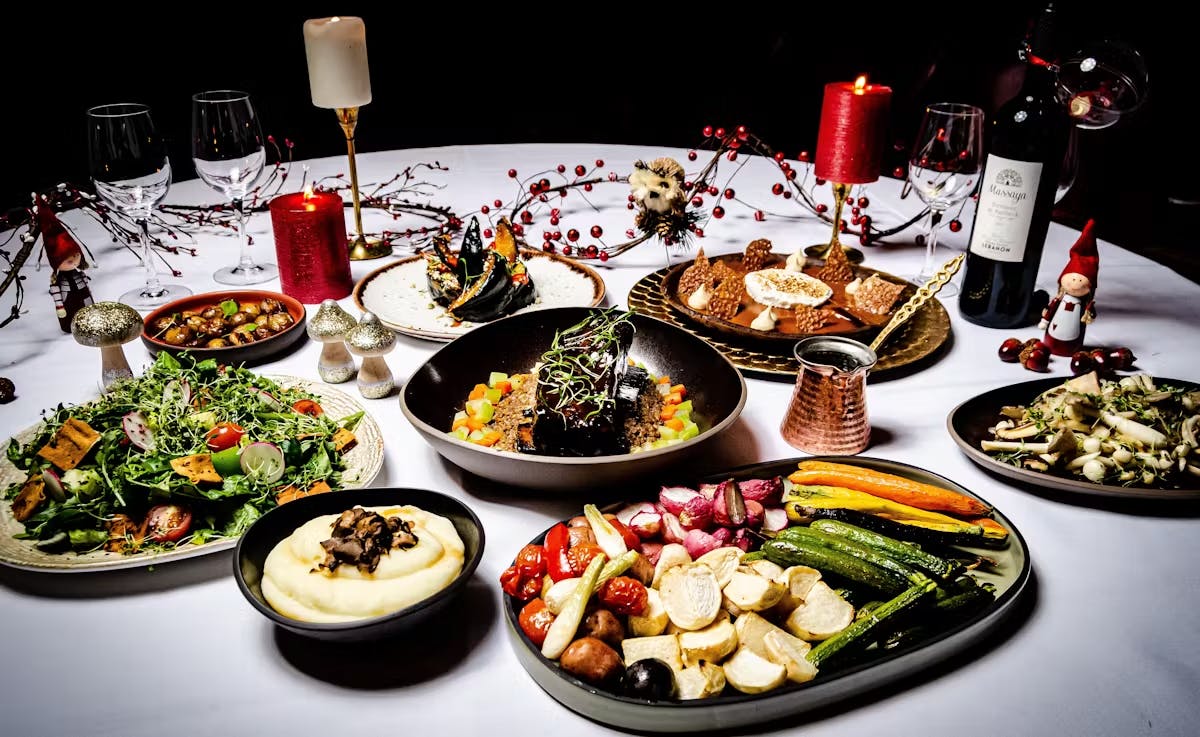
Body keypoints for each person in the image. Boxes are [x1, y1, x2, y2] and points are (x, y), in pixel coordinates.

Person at [1039, 219, 1098, 356]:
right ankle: (1051, 345)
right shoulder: (1059, 300)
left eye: (1081, 279)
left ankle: (1070, 349)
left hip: (1074, 340)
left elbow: (1091, 312)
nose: (1075, 282)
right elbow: (1050, 308)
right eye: (1072, 277)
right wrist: (1045, 320)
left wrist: (1090, 313)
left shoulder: (1085, 305)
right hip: (1053, 332)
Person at [41, 197, 94, 333]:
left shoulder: (79, 273)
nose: (74, 261)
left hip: (84, 296)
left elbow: (86, 285)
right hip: (69, 301)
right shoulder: (58, 282)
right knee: (73, 313)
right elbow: (57, 294)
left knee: (87, 307)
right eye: (68, 260)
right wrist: (60, 307)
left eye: (76, 256)